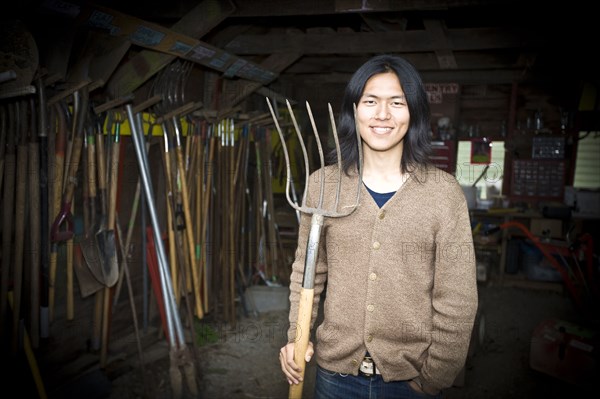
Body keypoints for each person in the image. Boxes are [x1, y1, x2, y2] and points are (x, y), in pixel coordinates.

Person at [279, 54, 478, 398]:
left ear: (413, 112)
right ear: (354, 110)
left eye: (396, 103)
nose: (382, 114)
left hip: (410, 382)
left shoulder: (443, 195)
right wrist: (296, 337)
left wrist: (435, 377)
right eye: (370, 101)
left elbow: (457, 298)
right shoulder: (323, 186)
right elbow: (307, 272)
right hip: (334, 375)